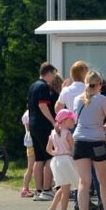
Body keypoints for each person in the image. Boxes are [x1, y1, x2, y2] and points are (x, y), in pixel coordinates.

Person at [71, 71, 106, 210]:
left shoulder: (77, 99)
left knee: (84, 182)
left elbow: (77, 120)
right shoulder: (102, 99)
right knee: (103, 180)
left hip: (79, 142)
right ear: (99, 84)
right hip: (97, 142)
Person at [28, 63, 61, 201]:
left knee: (39, 158)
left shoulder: (33, 86)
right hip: (43, 125)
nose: (54, 77)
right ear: (49, 73)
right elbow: (43, 105)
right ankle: (47, 190)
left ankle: (38, 190)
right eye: (54, 74)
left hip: (33, 124)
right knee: (49, 156)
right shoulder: (43, 86)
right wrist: (53, 122)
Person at [45, 109, 77, 210]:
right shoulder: (68, 134)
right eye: (71, 119)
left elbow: (48, 149)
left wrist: (56, 153)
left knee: (63, 187)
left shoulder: (53, 133)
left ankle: (52, 208)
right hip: (66, 161)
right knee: (66, 190)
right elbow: (74, 149)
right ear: (64, 121)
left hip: (56, 161)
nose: (73, 121)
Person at [20, 109, 36, 198]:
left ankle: (25, 188)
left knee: (30, 167)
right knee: (31, 167)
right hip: (32, 142)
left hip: (28, 141)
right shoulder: (31, 113)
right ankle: (25, 188)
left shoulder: (25, 114)